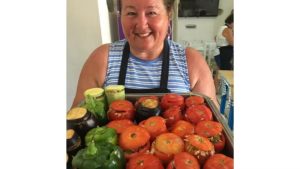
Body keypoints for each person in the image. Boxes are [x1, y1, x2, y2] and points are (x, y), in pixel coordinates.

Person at [72, 0, 217, 107]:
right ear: (120, 15)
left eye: (152, 12)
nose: (141, 25)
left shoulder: (192, 61)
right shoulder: (102, 58)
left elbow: (212, 125)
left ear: (169, 14)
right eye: (131, 13)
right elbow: (77, 120)